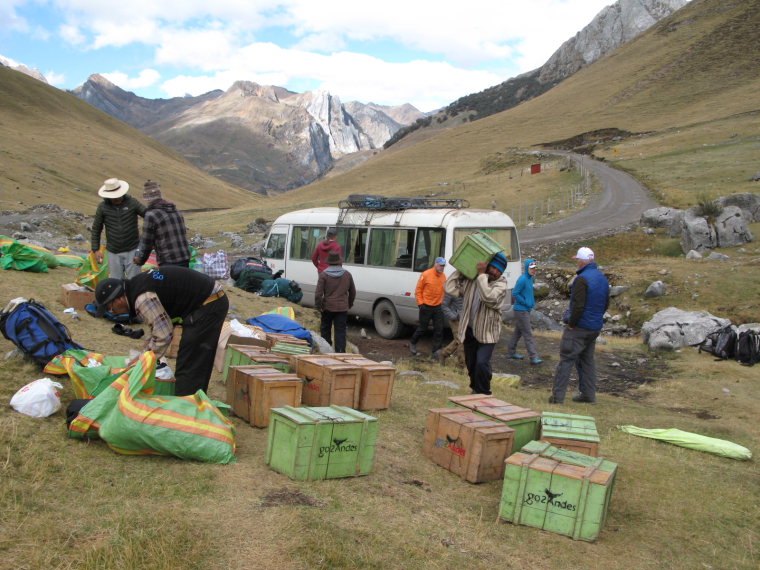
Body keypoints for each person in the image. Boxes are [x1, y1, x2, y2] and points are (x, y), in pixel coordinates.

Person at [95, 266, 228, 397]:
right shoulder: (135, 288)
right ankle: (190, 400)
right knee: (190, 357)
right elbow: (156, 329)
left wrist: (143, 364)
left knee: (191, 361)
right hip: (205, 300)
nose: (111, 312)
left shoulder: (142, 299)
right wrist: (142, 356)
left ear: (118, 299)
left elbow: (163, 335)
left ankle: (187, 408)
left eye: (109, 307)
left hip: (210, 302)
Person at [549, 247, 610, 404]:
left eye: (577, 260)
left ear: (582, 261)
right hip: (594, 327)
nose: (577, 262)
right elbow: (606, 303)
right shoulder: (602, 278)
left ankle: (558, 397)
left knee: (566, 359)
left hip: (579, 327)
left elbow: (578, 305)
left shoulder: (581, 279)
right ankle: (588, 395)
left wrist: (571, 323)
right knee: (587, 360)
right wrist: (596, 317)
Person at [444, 252, 509, 395]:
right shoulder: (473, 280)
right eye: (493, 268)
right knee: (471, 363)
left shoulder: (501, 284)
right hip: (470, 329)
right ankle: (475, 388)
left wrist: (481, 275)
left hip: (488, 332)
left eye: (499, 271)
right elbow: (449, 288)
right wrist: (462, 269)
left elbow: (488, 297)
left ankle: (485, 392)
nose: (495, 272)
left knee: (481, 362)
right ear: (488, 265)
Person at [90, 177, 146, 279]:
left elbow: (148, 215)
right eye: (113, 196)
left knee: (135, 281)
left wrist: (145, 237)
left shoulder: (132, 202)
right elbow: (96, 228)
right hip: (113, 251)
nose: (116, 198)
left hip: (133, 250)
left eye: (118, 195)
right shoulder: (102, 207)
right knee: (116, 282)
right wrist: (95, 249)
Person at [133, 180, 190, 268]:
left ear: (146, 198)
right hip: (185, 258)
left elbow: (147, 243)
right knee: (182, 281)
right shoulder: (176, 211)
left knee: (160, 279)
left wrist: (140, 260)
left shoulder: (151, 215)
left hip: (168, 261)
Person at [314, 251, 356, 353]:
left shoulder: (324, 275)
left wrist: (318, 306)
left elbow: (318, 294)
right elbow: (353, 292)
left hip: (327, 307)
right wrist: (349, 304)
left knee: (325, 330)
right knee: (340, 332)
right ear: (339, 262)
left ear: (329, 262)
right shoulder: (347, 274)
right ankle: (340, 353)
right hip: (342, 308)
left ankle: (326, 351)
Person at [506, 258, 543, 364]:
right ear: (527, 268)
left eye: (534, 268)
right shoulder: (522, 279)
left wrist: (531, 303)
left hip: (525, 309)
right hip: (521, 310)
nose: (533, 270)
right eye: (531, 268)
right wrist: (526, 302)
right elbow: (515, 294)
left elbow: (528, 292)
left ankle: (511, 352)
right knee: (528, 333)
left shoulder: (531, 278)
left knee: (518, 332)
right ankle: (533, 357)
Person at [409, 257, 447, 359]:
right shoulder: (426, 274)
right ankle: (412, 343)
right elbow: (418, 291)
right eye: (440, 265)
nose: (442, 267)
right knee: (422, 328)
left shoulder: (444, 277)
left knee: (439, 329)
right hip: (426, 306)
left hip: (438, 307)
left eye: (443, 266)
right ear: (435, 264)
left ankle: (436, 351)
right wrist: (421, 304)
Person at [439, 292, 464, 366]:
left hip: (466, 319)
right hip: (455, 319)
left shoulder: (469, 286)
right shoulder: (452, 288)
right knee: (461, 340)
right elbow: (444, 305)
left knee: (460, 339)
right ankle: (463, 364)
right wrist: (453, 316)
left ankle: (444, 353)